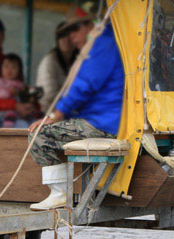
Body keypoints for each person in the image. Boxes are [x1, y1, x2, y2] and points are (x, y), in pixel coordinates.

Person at [27, 6, 124, 210]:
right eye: (67, 32)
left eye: (75, 29)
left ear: (90, 25)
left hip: (103, 123)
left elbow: (84, 87)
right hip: (102, 119)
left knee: (39, 134)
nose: (71, 36)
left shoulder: (101, 44)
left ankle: (59, 193)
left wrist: (57, 114)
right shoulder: (104, 43)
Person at [36, 21, 79, 111]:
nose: (66, 40)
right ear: (57, 40)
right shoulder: (49, 61)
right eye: (62, 36)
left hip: (69, 111)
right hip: (48, 112)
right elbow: (49, 94)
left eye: (69, 36)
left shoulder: (80, 59)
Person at [0, 53, 28, 127]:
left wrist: (20, 93)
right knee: (10, 114)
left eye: (14, 67)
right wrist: (8, 92)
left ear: (19, 70)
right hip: (3, 111)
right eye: (6, 67)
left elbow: (24, 98)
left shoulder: (20, 84)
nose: (9, 70)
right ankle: (7, 130)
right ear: (1, 68)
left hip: (19, 113)